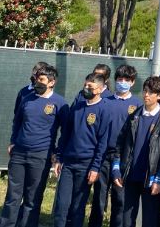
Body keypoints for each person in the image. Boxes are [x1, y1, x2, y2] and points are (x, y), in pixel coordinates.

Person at [1, 65, 69, 227]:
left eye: (42, 79)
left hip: (41, 156)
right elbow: (17, 121)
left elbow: (66, 131)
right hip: (19, 154)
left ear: (52, 82)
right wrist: (13, 141)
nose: (38, 82)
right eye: (37, 79)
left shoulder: (60, 103)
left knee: (33, 198)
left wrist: (57, 153)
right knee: (13, 196)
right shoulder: (27, 98)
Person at [112, 76, 160, 227]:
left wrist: (159, 180)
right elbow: (120, 143)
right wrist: (116, 170)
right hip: (130, 176)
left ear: (159, 96)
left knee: (150, 221)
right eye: (145, 91)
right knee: (126, 221)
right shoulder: (134, 116)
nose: (146, 94)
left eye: (151, 92)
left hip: (151, 180)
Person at [53, 73, 111, 227]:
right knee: (61, 205)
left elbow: (103, 142)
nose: (85, 89)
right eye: (85, 85)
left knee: (77, 207)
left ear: (99, 89)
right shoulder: (77, 106)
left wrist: (95, 167)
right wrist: (59, 157)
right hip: (68, 163)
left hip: (87, 165)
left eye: (89, 87)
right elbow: (66, 133)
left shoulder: (104, 109)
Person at [88, 65, 142, 227]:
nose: (122, 83)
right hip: (103, 157)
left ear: (132, 83)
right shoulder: (105, 101)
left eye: (127, 80)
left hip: (123, 159)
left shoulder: (137, 105)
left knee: (120, 199)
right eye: (120, 79)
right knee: (99, 198)